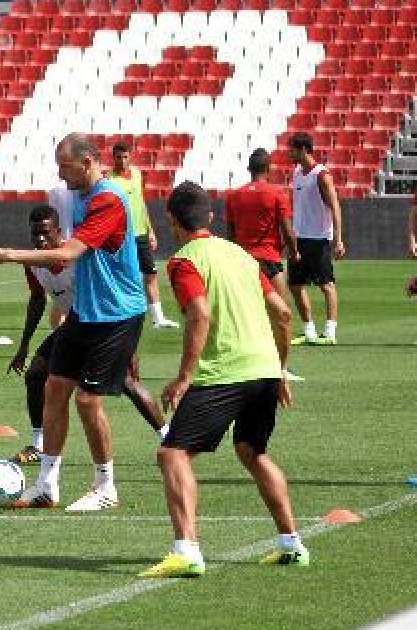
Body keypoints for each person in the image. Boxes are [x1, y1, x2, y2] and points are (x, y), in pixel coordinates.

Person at [139, 181, 308, 578]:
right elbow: (283, 314)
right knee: (253, 452)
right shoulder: (242, 256)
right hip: (264, 370)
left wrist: (184, 377)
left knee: (172, 454)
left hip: (224, 373)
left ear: (171, 220)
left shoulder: (184, 261)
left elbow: (199, 313)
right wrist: (279, 369)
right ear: (211, 217)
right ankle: (292, 544)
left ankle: (186, 550)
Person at [0, 133, 146, 512]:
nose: (60, 174)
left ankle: (106, 487)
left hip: (116, 314)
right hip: (85, 312)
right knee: (54, 389)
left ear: (87, 162)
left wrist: (10, 255)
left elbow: (70, 252)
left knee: (87, 401)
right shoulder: (77, 196)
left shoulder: (107, 199)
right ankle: (46, 486)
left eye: (65, 166)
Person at [8, 205, 166, 465]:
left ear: (59, 231)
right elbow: (37, 300)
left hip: (104, 326)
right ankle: (39, 444)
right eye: (35, 234)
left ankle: (168, 437)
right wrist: (23, 345)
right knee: (36, 374)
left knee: (127, 383)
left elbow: (113, 296)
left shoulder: (78, 258)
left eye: (46, 233)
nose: (40, 239)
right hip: (73, 328)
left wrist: (129, 345)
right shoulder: (33, 263)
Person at [224, 148, 306, 381]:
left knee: (245, 317)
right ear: (268, 170)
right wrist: (294, 251)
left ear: (249, 169)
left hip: (242, 261)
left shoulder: (233, 196)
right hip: (268, 261)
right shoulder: (277, 194)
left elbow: (230, 233)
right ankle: (281, 369)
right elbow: (287, 229)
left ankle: (245, 366)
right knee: (282, 316)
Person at [107, 142, 179, 329]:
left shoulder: (137, 174)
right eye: (118, 157)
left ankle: (158, 318)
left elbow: (141, 203)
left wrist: (150, 230)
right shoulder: (109, 180)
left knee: (151, 274)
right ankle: (120, 316)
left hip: (141, 234)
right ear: (113, 158)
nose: (122, 161)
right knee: (124, 277)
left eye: (125, 157)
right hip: (122, 236)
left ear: (130, 157)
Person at [286, 132, 344, 345]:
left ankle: (330, 332)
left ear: (303, 150)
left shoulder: (322, 175)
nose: (289, 154)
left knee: (326, 284)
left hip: (318, 239)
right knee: (295, 285)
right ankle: (309, 330)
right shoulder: (297, 173)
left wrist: (338, 239)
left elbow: (335, 207)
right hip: (299, 238)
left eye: (292, 150)